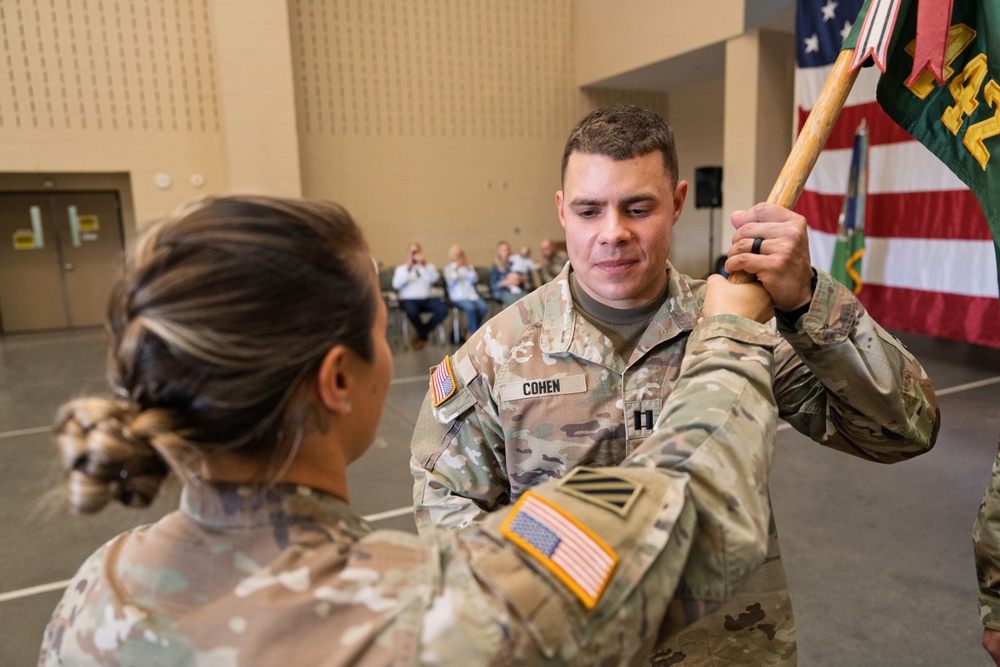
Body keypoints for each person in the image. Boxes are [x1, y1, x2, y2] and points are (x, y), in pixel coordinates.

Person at [39, 194, 782, 665]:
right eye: (379, 323)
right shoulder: (438, 609)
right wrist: (726, 338)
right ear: (337, 379)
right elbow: (697, 507)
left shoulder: (95, 593)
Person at [410, 104, 940, 665]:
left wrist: (808, 299)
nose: (612, 233)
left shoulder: (736, 325)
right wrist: (568, 571)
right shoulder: (497, 353)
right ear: (562, 212)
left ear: (678, 202)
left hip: (726, 648)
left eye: (638, 208)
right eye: (589, 210)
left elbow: (904, 430)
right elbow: (444, 505)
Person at [392, 242, 448, 350]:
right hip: (408, 299)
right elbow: (396, 285)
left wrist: (425, 265)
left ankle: (422, 334)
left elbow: (435, 278)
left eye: (416, 252)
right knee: (411, 311)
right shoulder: (401, 269)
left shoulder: (428, 267)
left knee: (443, 310)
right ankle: (423, 335)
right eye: (412, 252)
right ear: (408, 254)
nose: (414, 255)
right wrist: (409, 269)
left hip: (426, 298)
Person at [443, 244, 488, 339]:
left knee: (483, 307)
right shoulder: (448, 268)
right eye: (456, 255)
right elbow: (450, 282)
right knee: (471, 309)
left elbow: (474, 279)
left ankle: (470, 331)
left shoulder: (468, 267)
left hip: (471, 295)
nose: (458, 257)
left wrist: (467, 267)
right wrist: (456, 269)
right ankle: (475, 336)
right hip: (458, 297)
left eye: (460, 254)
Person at [489, 241, 526, 308]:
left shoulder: (514, 264)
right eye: (503, 250)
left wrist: (518, 278)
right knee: (517, 303)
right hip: (503, 291)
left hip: (516, 289)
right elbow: (493, 286)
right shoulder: (496, 267)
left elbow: (525, 278)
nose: (506, 252)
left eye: (507, 250)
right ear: (499, 253)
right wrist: (507, 281)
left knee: (528, 299)